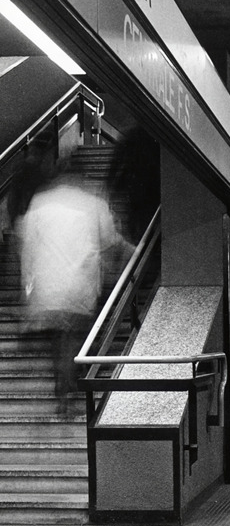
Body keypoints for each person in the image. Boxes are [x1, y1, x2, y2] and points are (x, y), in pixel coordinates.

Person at [18, 146, 133, 415]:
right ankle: (68, 393)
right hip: (80, 284)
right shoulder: (92, 202)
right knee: (74, 338)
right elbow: (111, 242)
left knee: (59, 341)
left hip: (47, 288)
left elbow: (27, 248)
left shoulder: (39, 203)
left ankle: (63, 390)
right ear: (81, 176)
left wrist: (26, 289)